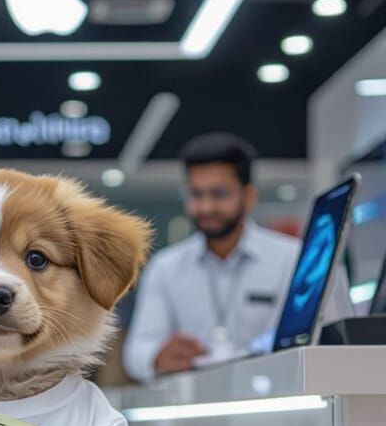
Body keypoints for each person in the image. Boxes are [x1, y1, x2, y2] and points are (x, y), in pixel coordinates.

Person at [123, 133, 351, 381]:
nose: (206, 207)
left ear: (249, 195)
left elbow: (330, 340)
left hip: (277, 406)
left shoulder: (294, 259)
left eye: (219, 194)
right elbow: (136, 351)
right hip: (192, 410)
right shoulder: (165, 267)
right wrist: (156, 356)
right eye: (197, 195)